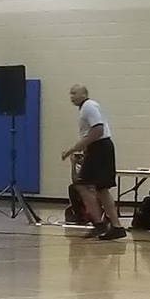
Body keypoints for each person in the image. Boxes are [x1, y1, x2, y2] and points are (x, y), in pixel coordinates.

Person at [62, 85, 126, 240]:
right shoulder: (88, 107)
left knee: (83, 184)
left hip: (99, 148)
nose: (72, 97)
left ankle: (100, 224)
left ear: (84, 94)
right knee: (101, 189)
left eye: (75, 93)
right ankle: (115, 226)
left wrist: (74, 149)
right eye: (70, 94)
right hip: (99, 148)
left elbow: (98, 131)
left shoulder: (88, 107)